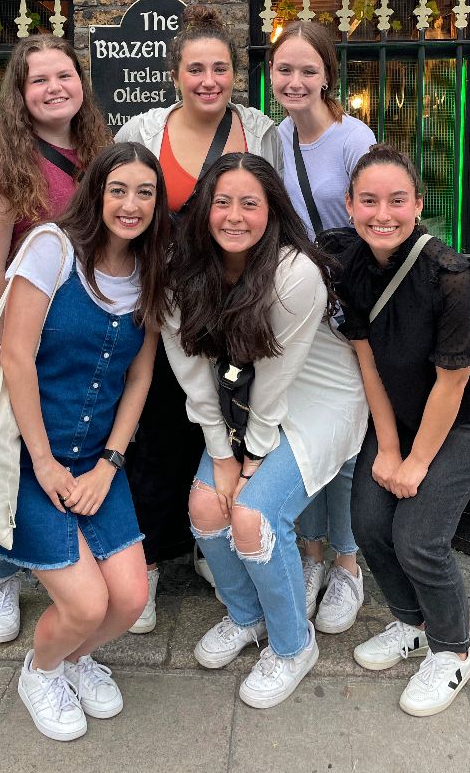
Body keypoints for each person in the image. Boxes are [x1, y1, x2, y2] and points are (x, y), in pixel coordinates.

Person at [0, 142, 170, 741]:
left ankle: (76, 659)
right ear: (97, 192)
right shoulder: (51, 249)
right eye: (119, 190)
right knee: (85, 604)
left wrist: (110, 464)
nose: (131, 205)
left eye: (145, 193)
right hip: (27, 460)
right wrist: (47, 464)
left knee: (129, 601)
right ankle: (42, 669)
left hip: (96, 460)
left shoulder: (150, 270)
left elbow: (140, 376)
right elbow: (17, 359)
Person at [162, 153, 368, 708]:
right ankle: (247, 615)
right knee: (207, 506)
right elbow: (192, 372)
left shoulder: (294, 273)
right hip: (242, 399)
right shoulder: (181, 272)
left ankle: (292, 646)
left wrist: (249, 459)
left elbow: (278, 375)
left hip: (317, 394)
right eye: (222, 202)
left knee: (252, 515)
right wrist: (220, 454)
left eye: (249, 203)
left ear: (270, 210)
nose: (234, 216)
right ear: (204, 208)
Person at [115, 4, 282, 631]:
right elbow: (117, 202)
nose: (207, 80)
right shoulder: (143, 130)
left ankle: (210, 542)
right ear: (175, 74)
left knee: (226, 423)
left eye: (219, 68)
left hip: (237, 303)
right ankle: (152, 560)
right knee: (159, 429)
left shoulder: (262, 131)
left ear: (235, 73)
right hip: (164, 303)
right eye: (195, 69)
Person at [326, 143, 470, 717]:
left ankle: (453, 652)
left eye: (398, 201)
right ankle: (411, 622)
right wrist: (388, 446)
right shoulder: (350, 264)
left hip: (467, 418)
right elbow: (367, 361)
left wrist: (415, 463)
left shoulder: (449, 278)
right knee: (370, 523)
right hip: (401, 412)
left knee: (419, 538)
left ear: (419, 205)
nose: (384, 214)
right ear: (350, 205)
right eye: (370, 201)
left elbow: (453, 386)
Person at [0, 34, 110, 643]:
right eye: (39, 80)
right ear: (20, 95)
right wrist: (2, 353)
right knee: (2, 454)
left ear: (81, 83)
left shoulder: (101, 151)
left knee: (53, 448)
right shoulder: (0, 168)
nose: (55, 88)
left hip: (67, 332)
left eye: (64, 76)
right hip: (5, 327)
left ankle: (62, 563)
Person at [270, 20, 375, 632]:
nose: (296, 80)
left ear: (328, 75)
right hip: (299, 309)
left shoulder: (351, 137)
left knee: (348, 443)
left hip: (351, 309)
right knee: (300, 433)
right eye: (285, 69)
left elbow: (377, 218)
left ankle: (347, 563)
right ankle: (309, 552)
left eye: (309, 70)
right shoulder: (275, 141)